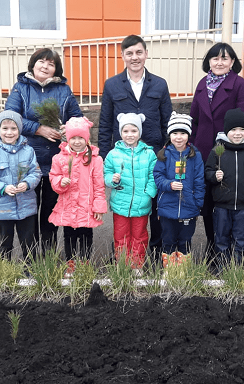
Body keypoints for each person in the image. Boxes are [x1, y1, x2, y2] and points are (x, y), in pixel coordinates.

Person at [98, 34, 173, 261]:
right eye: (129, 53)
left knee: (155, 207)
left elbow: (167, 121)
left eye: (139, 52)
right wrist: (104, 158)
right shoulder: (112, 85)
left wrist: (166, 154)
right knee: (126, 209)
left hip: (154, 157)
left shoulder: (159, 84)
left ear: (146, 54)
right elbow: (105, 123)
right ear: (122, 56)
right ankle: (123, 255)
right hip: (124, 160)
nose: (135, 57)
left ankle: (156, 252)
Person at [5, 48, 83, 254]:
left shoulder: (64, 90)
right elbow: (11, 118)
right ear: (33, 64)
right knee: (28, 213)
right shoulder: (20, 88)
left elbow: (77, 117)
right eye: (41, 61)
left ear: (56, 70)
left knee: (50, 213)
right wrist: (39, 129)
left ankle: (47, 257)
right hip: (26, 162)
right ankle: (30, 258)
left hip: (55, 163)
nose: (45, 66)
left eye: (51, 64)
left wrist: (70, 127)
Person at [189, 42, 244, 260]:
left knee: (227, 201)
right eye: (215, 58)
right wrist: (192, 148)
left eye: (225, 58)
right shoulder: (202, 84)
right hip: (204, 151)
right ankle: (213, 244)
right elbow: (194, 120)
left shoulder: (239, 85)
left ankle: (232, 250)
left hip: (229, 152)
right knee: (208, 202)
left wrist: (239, 149)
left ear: (232, 62)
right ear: (209, 61)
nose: (219, 62)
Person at [205, 108, 244, 271]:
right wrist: (214, 176)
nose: (238, 133)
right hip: (221, 207)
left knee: (241, 239)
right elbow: (207, 172)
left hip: (243, 207)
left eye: (242, 129)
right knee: (221, 239)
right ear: (226, 131)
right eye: (233, 129)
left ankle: (237, 269)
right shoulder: (218, 150)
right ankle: (222, 269)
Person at [0, 110, 42, 261]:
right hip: (3, 206)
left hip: (26, 205)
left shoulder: (28, 151)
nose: (9, 132)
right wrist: (3, 188)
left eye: (13, 128)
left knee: (28, 242)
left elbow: (36, 173)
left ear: (19, 130)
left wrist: (27, 184)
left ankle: (30, 270)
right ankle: (4, 269)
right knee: (5, 242)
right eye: (5, 128)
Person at [48, 117, 107, 273]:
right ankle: (71, 264)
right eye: (73, 138)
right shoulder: (59, 158)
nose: (77, 141)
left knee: (86, 236)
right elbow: (53, 177)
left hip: (87, 207)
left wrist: (98, 206)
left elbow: (99, 185)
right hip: (68, 206)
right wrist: (61, 181)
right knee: (69, 236)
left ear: (86, 138)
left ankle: (85, 264)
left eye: (81, 137)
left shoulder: (95, 159)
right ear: (68, 139)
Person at [104, 113, 157, 274]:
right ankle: (122, 263)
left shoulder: (149, 154)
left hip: (142, 203)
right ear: (121, 132)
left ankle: (137, 264)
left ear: (139, 133)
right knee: (120, 235)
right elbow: (105, 173)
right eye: (126, 131)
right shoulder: (113, 154)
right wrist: (112, 180)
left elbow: (153, 176)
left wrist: (149, 193)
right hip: (120, 203)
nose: (130, 135)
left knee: (139, 235)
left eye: (134, 131)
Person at [153, 112, 204, 269]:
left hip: (189, 207)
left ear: (188, 135)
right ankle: (169, 271)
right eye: (175, 133)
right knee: (168, 239)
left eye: (183, 133)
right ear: (170, 135)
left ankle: (182, 271)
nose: (179, 137)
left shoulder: (195, 156)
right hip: (167, 208)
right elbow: (157, 176)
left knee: (185, 240)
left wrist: (197, 204)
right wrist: (169, 184)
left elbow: (199, 181)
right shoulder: (163, 155)